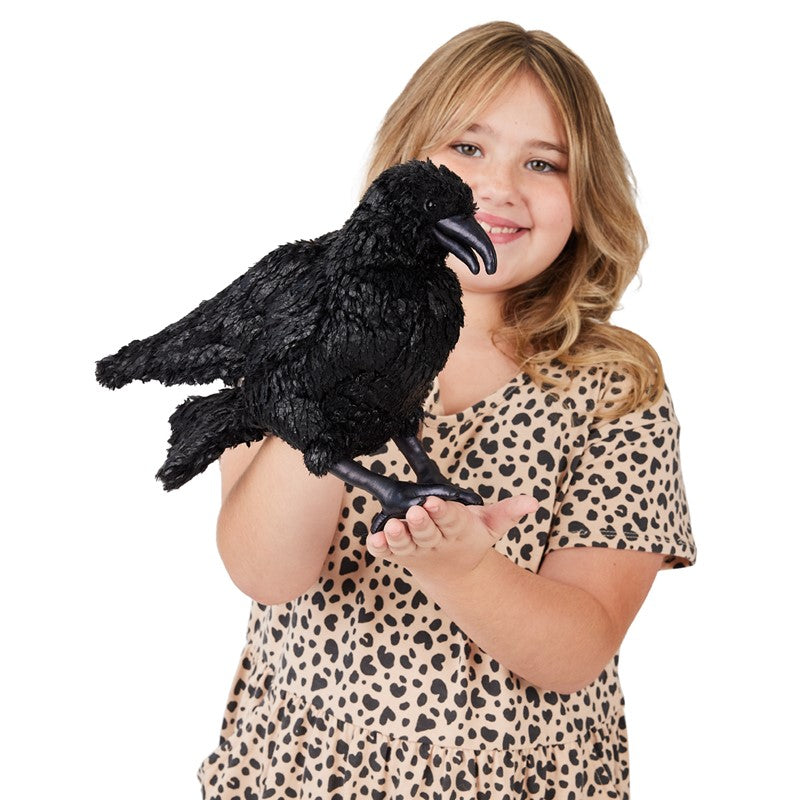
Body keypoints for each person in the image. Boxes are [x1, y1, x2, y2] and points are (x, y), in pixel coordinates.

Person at [198, 21, 696, 800]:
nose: (495, 187)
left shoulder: (613, 385)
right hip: (303, 775)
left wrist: (463, 568)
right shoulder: (294, 322)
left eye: (542, 163)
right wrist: (328, 371)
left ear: (585, 195)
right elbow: (266, 571)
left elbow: (577, 648)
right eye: (466, 149)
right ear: (406, 166)